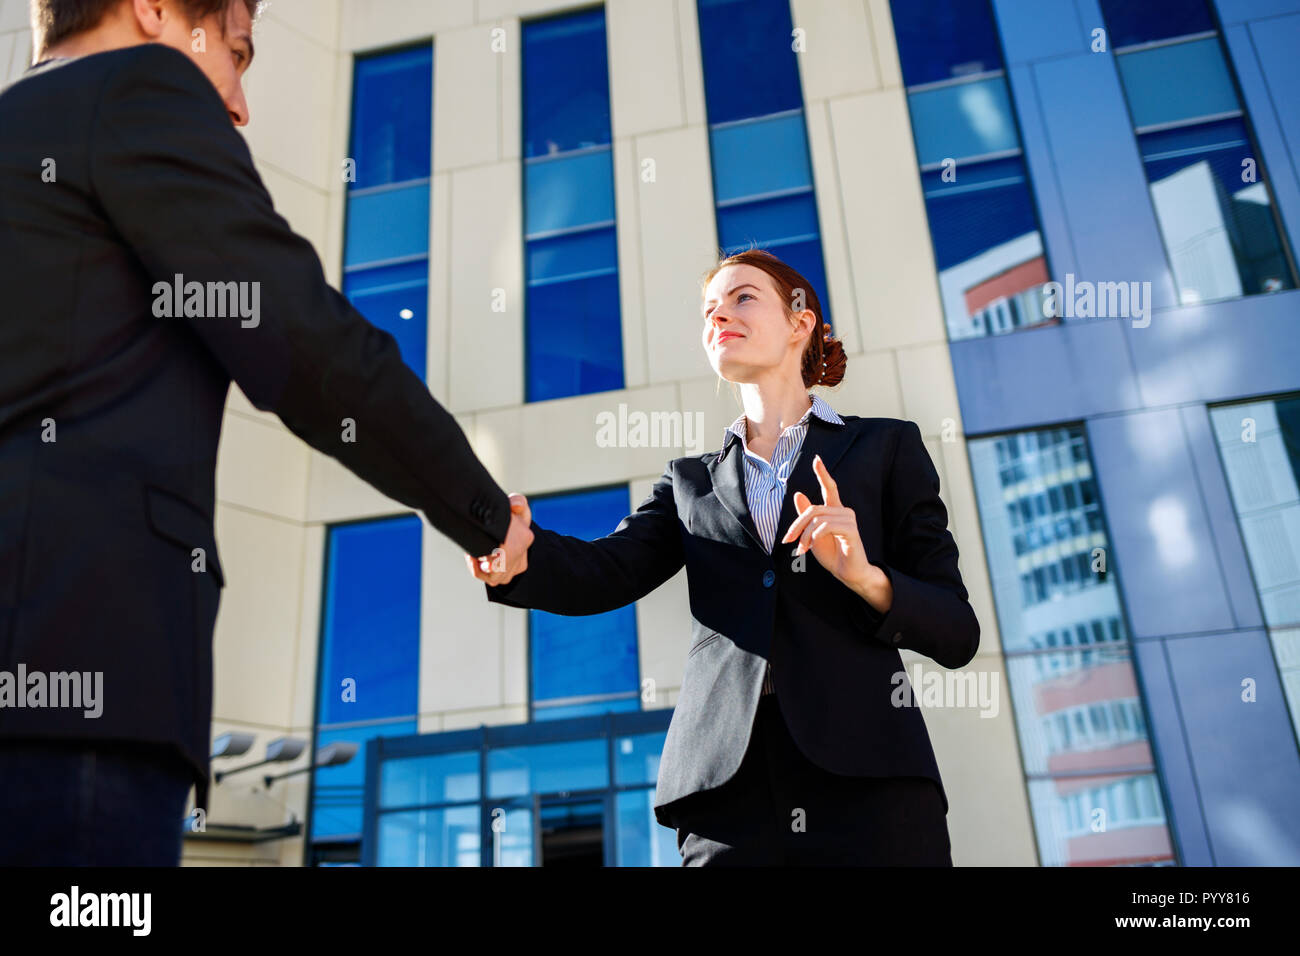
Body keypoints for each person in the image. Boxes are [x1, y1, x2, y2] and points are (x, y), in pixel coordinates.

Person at [0, 0, 531, 865]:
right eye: (237, 55)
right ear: (156, 11)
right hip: (73, 685)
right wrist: (484, 514)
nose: (240, 104)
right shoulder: (139, 86)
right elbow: (306, 344)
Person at [471, 248, 980, 865]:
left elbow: (956, 630)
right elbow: (605, 571)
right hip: (729, 796)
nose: (719, 316)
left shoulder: (887, 447)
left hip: (871, 783)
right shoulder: (690, 482)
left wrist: (866, 577)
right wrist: (522, 557)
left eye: (742, 298)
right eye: (709, 309)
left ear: (800, 323)